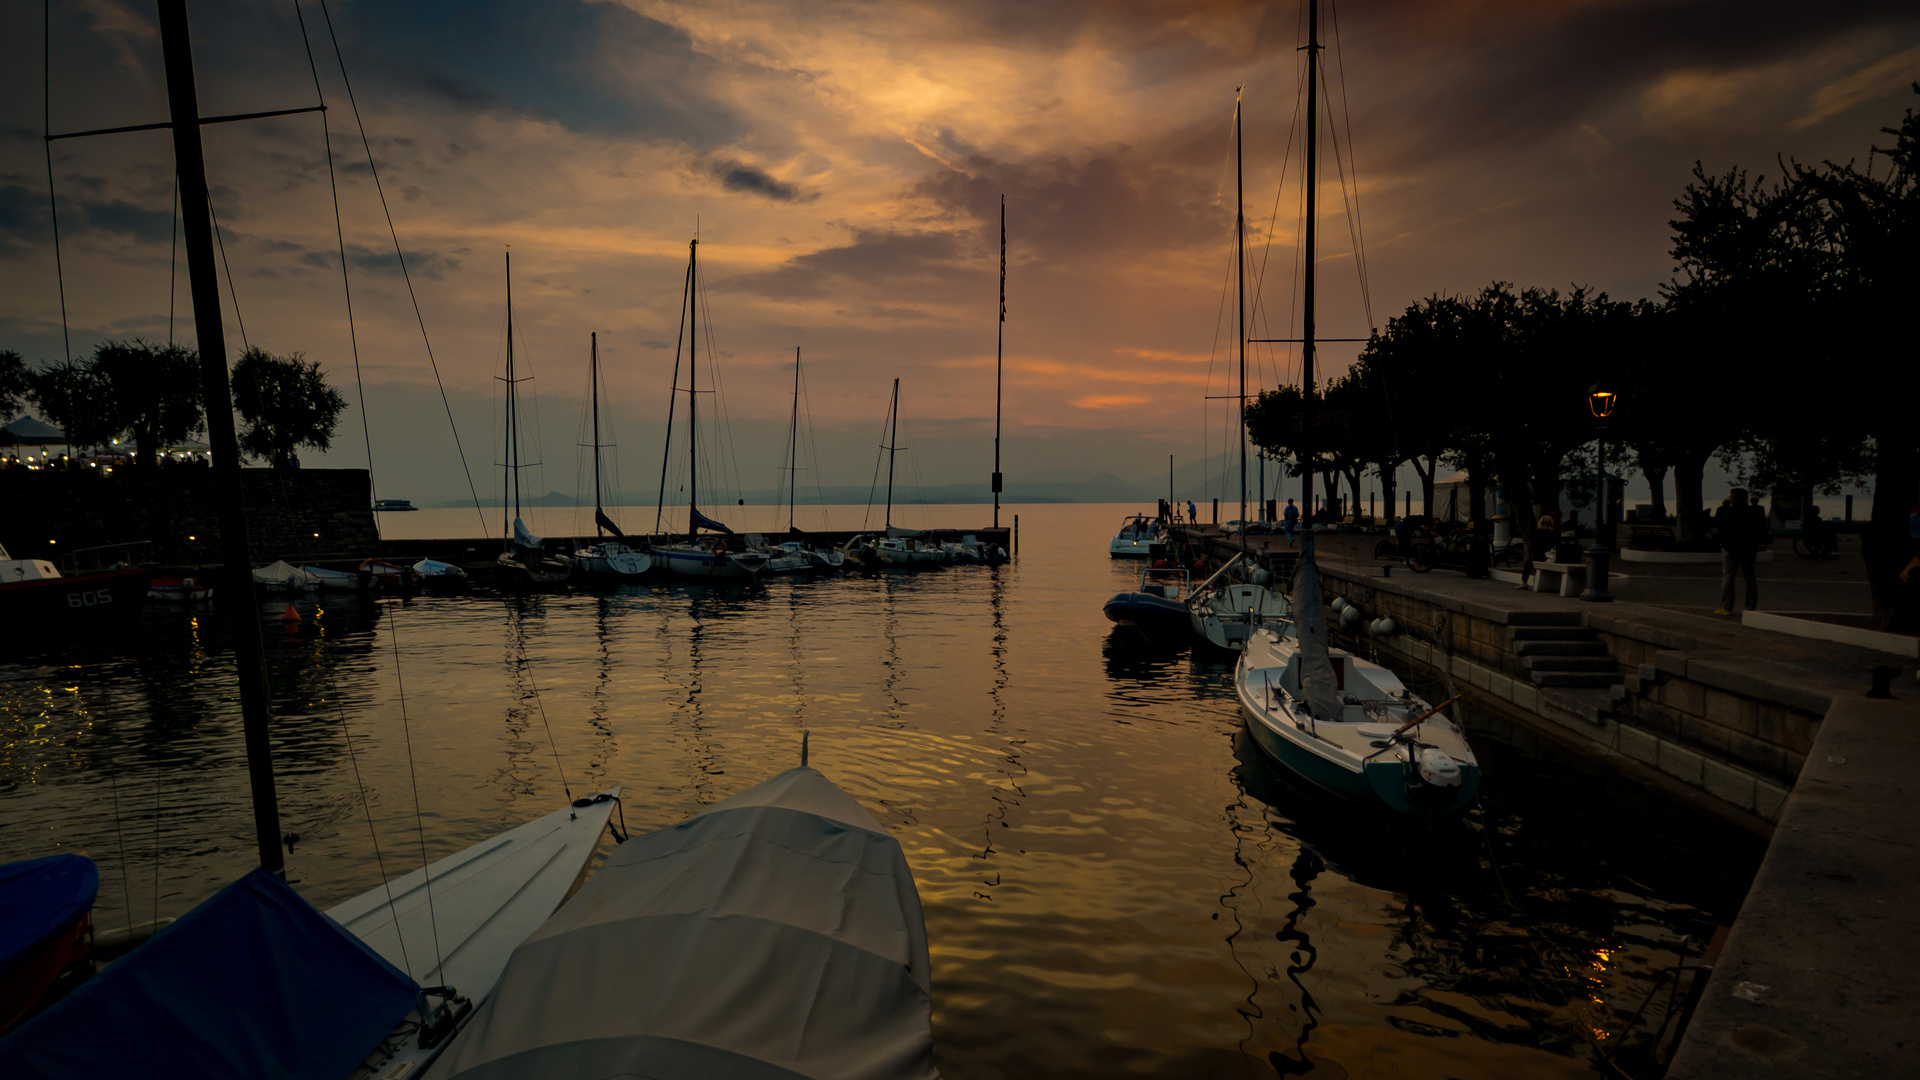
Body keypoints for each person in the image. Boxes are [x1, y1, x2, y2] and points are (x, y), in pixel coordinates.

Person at [1714, 488, 1766, 615]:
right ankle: (1750, 608)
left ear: (1733, 497)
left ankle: (1727, 607)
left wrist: (1722, 542)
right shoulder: (1756, 510)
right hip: (1748, 548)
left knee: (1728, 577)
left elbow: (1719, 526)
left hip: (1730, 548)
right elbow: (1761, 527)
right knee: (1750, 578)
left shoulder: (1724, 511)